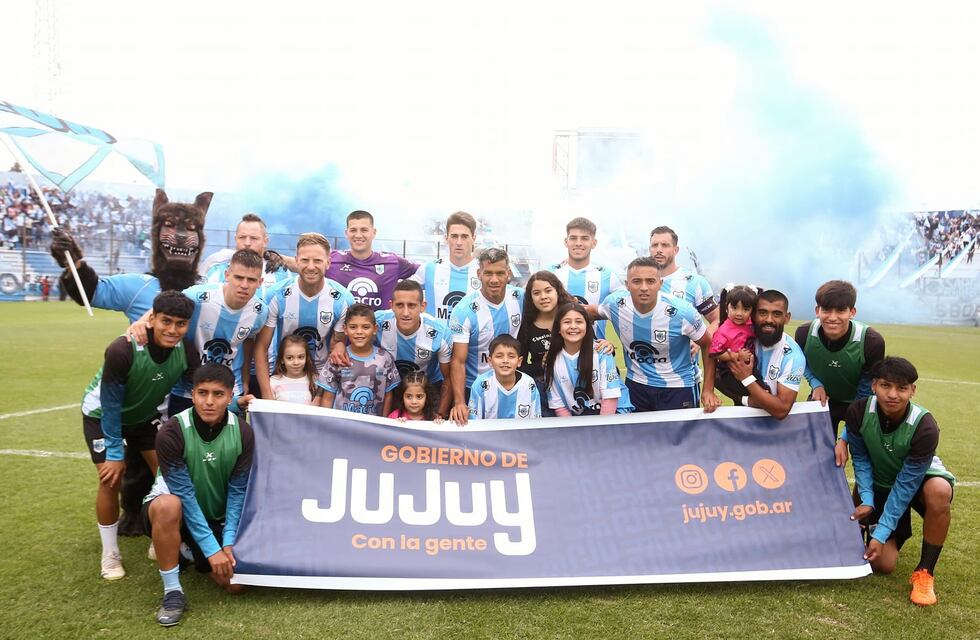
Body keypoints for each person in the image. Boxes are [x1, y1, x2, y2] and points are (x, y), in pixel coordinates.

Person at [81, 291, 197, 581]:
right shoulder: (123, 349)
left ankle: (161, 538)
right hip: (103, 416)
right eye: (166, 321)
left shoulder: (187, 351)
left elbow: (198, 390)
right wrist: (115, 452)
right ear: (152, 319)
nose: (172, 330)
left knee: (170, 475)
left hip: (143, 416)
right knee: (111, 478)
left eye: (180, 324)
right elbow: (109, 405)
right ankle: (110, 553)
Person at [141, 364, 255, 626]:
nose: (209, 401)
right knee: (170, 504)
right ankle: (172, 592)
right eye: (202, 393)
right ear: (192, 395)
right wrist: (212, 549)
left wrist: (226, 544)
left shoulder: (243, 433)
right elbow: (186, 496)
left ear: (230, 396)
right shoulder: (172, 431)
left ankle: (186, 550)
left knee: (235, 585)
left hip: (212, 516)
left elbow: (238, 492)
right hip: (173, 512)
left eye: (218, 394)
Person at [845, 357, 955, 607]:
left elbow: (906, 485)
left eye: (902, 388)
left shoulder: (924, 426)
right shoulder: (858, 411)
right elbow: (860, 460)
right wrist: (869, 500)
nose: (893, 394)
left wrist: (882, 532)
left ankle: (925, 572)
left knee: (939, 492)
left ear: (912, 390)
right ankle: (878, 530)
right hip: (881, 482)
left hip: (917, 482)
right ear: (874, 385)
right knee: (882, 564)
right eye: (886, 386)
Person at [595, 257, 712, 412]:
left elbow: (708, 343)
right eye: (637, 281)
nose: (644, 287)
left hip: (677, 388)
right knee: (637, 435)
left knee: (678, 437)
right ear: (627, 285)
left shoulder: (683, 312)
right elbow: (583, 314)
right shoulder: (615, 303)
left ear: (660, 284)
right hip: (636, 385)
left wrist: (708, 389)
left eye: (650, 281)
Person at [169, 250, 269, 416]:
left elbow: (248, 342)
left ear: (260, 282)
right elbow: (165, 308)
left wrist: (244, 379)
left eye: (251, 280)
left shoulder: (260, 312)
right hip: (187, 389)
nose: (244, 285)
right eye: (239, 277)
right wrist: (142, 324)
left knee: (230, 441)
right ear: (227, 275)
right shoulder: (197, 296)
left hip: (230, 390)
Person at [254, 233, 353, 399]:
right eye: (305, 260)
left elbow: (337, 346)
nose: (311, 266)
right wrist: (267, 395)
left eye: (318, 261)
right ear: (296, 261)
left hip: (320, 379)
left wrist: (322, 393)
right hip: (283, 376)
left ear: (328, 263)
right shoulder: (277, 295)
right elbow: (261, 347)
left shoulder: (342, 299)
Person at [794, 280, 885, 438]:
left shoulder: (871, 341)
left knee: (861, 451)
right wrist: (816, 384)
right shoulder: (804, 333)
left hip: (861, 401)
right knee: (815, 453)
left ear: (852, 312)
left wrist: (846, 435)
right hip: (823, 399)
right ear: (817, 310)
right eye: (827, 310)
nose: (833, 317)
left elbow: (867, 389)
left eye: (841, 311)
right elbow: (801, 364)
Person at [448, 248, 525, 425]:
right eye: (488, 273)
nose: (494, 279)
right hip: (475, 389)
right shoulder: (464, 311)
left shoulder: (520, 297)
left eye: (500, 273)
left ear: (509, 273)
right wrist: (459, 402)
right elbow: (458, 361)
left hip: (511, 385)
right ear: (479, 274)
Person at [374, 280, 454, 417]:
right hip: (388, 388)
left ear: (422, 306)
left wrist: (440, 414)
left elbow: (448, 378)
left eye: (411, 305)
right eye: (400, 305)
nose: (405, 312)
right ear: (391, 305)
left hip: (425, 390)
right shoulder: (377, 322)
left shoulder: (440, 334)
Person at [726, 290, 806, 420]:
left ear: (787, 318)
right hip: (741, 424)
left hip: (775, 432)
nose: (769, 320)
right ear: (753, 315)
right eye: (763, 313)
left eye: (776, 314)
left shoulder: (793, 357)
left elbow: (781, 410)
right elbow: (718, 374)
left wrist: (746, 378)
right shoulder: (741, 339)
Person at [317, 304, 400, 416]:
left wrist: (384, 424)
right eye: (353, 327)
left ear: (375, 329)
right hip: (342, 426)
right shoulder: (338, 358)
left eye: (365, 327)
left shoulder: (385, 359)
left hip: (373, 427)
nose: (359, 332)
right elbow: (328, 397)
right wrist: (326, 424)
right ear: (345, 329)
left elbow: (388, 395)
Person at [326, 210, 419, 311]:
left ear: (374, 233)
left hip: (380, 326)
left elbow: (427, 272)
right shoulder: (330, 260)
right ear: (346, 233)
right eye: (353, 230)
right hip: (339, 326)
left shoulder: (393, 262)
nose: (358, 235)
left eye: (364, 230)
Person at [548, 216, 624, 338]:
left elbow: (625, 308)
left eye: (584, 238)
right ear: (566, 241)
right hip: (557, 350)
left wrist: (598, 312)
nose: (578, 243)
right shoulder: (551, 273)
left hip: (595, 350)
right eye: (573, 238)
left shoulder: (608, 276)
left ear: (593, 243)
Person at [543, 303, 623, 416]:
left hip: (609, 417)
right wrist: (572, 430)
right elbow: (558, 404)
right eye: (567, 322)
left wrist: (602, 428)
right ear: (559, 329)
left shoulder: (602, 352)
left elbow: (610, 398)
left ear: (587, 326)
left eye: (579, 321)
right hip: (574, 423)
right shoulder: (551, 360)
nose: (573, 326)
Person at [517, 271, 576, 417]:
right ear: (531, 297)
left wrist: (605, 345)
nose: (543, 297)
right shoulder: (527, 326)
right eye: (536, 293)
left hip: (576, 387)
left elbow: (592, 349)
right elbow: (519, 367)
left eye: (548, 291)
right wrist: (542, 365)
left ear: (557, 291)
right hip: (544, 392)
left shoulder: (572, 317)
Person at [410, 211, 482, 320]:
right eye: (454, 236)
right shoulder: (429, 269)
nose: (459, 242)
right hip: (435, 336)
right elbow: (403, 295)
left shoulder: (482, 272)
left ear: (474, 238)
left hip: (471, 337)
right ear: (446, 238)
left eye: (464, 237)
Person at [198, 213, 294, 292]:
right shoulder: (215, 265)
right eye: (242, 237)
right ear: (235, 239)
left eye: (254, 238)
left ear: (265, 241)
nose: (247, 243)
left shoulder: (282, 274)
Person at [649, 225, 719, 332]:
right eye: (654, 245)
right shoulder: (637, 281)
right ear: (650, 249)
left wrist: (701, 340)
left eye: (665, 245)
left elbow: (717, 319)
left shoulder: (695, 282)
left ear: (675, 250)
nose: (659, 250)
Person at [700, 285, 760, 409]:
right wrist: (736, 356)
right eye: (734, 307)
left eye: (745, 309)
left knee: (764, 391)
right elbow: (715, 353)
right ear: (727, 306)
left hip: (749, 367)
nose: (739, 313)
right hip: (730, 371)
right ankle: (746, 401)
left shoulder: (749, 323)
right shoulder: (723, 330)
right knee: (754, 396)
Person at [468, 335, 542, 420]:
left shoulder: (529, 384)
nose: (505, 361)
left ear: (519, 361)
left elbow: (536, 423)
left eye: (511, 356)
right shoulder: (481, 384)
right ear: (490, 361)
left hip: (521, 433)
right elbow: (474, 422)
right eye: (499, 356)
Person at [268, 335, 317, 405]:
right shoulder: (273, 381)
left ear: (306, 358)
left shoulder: (315, 380)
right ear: (282, 359)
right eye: (290, 358)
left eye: (300, 357)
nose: (296, 362)